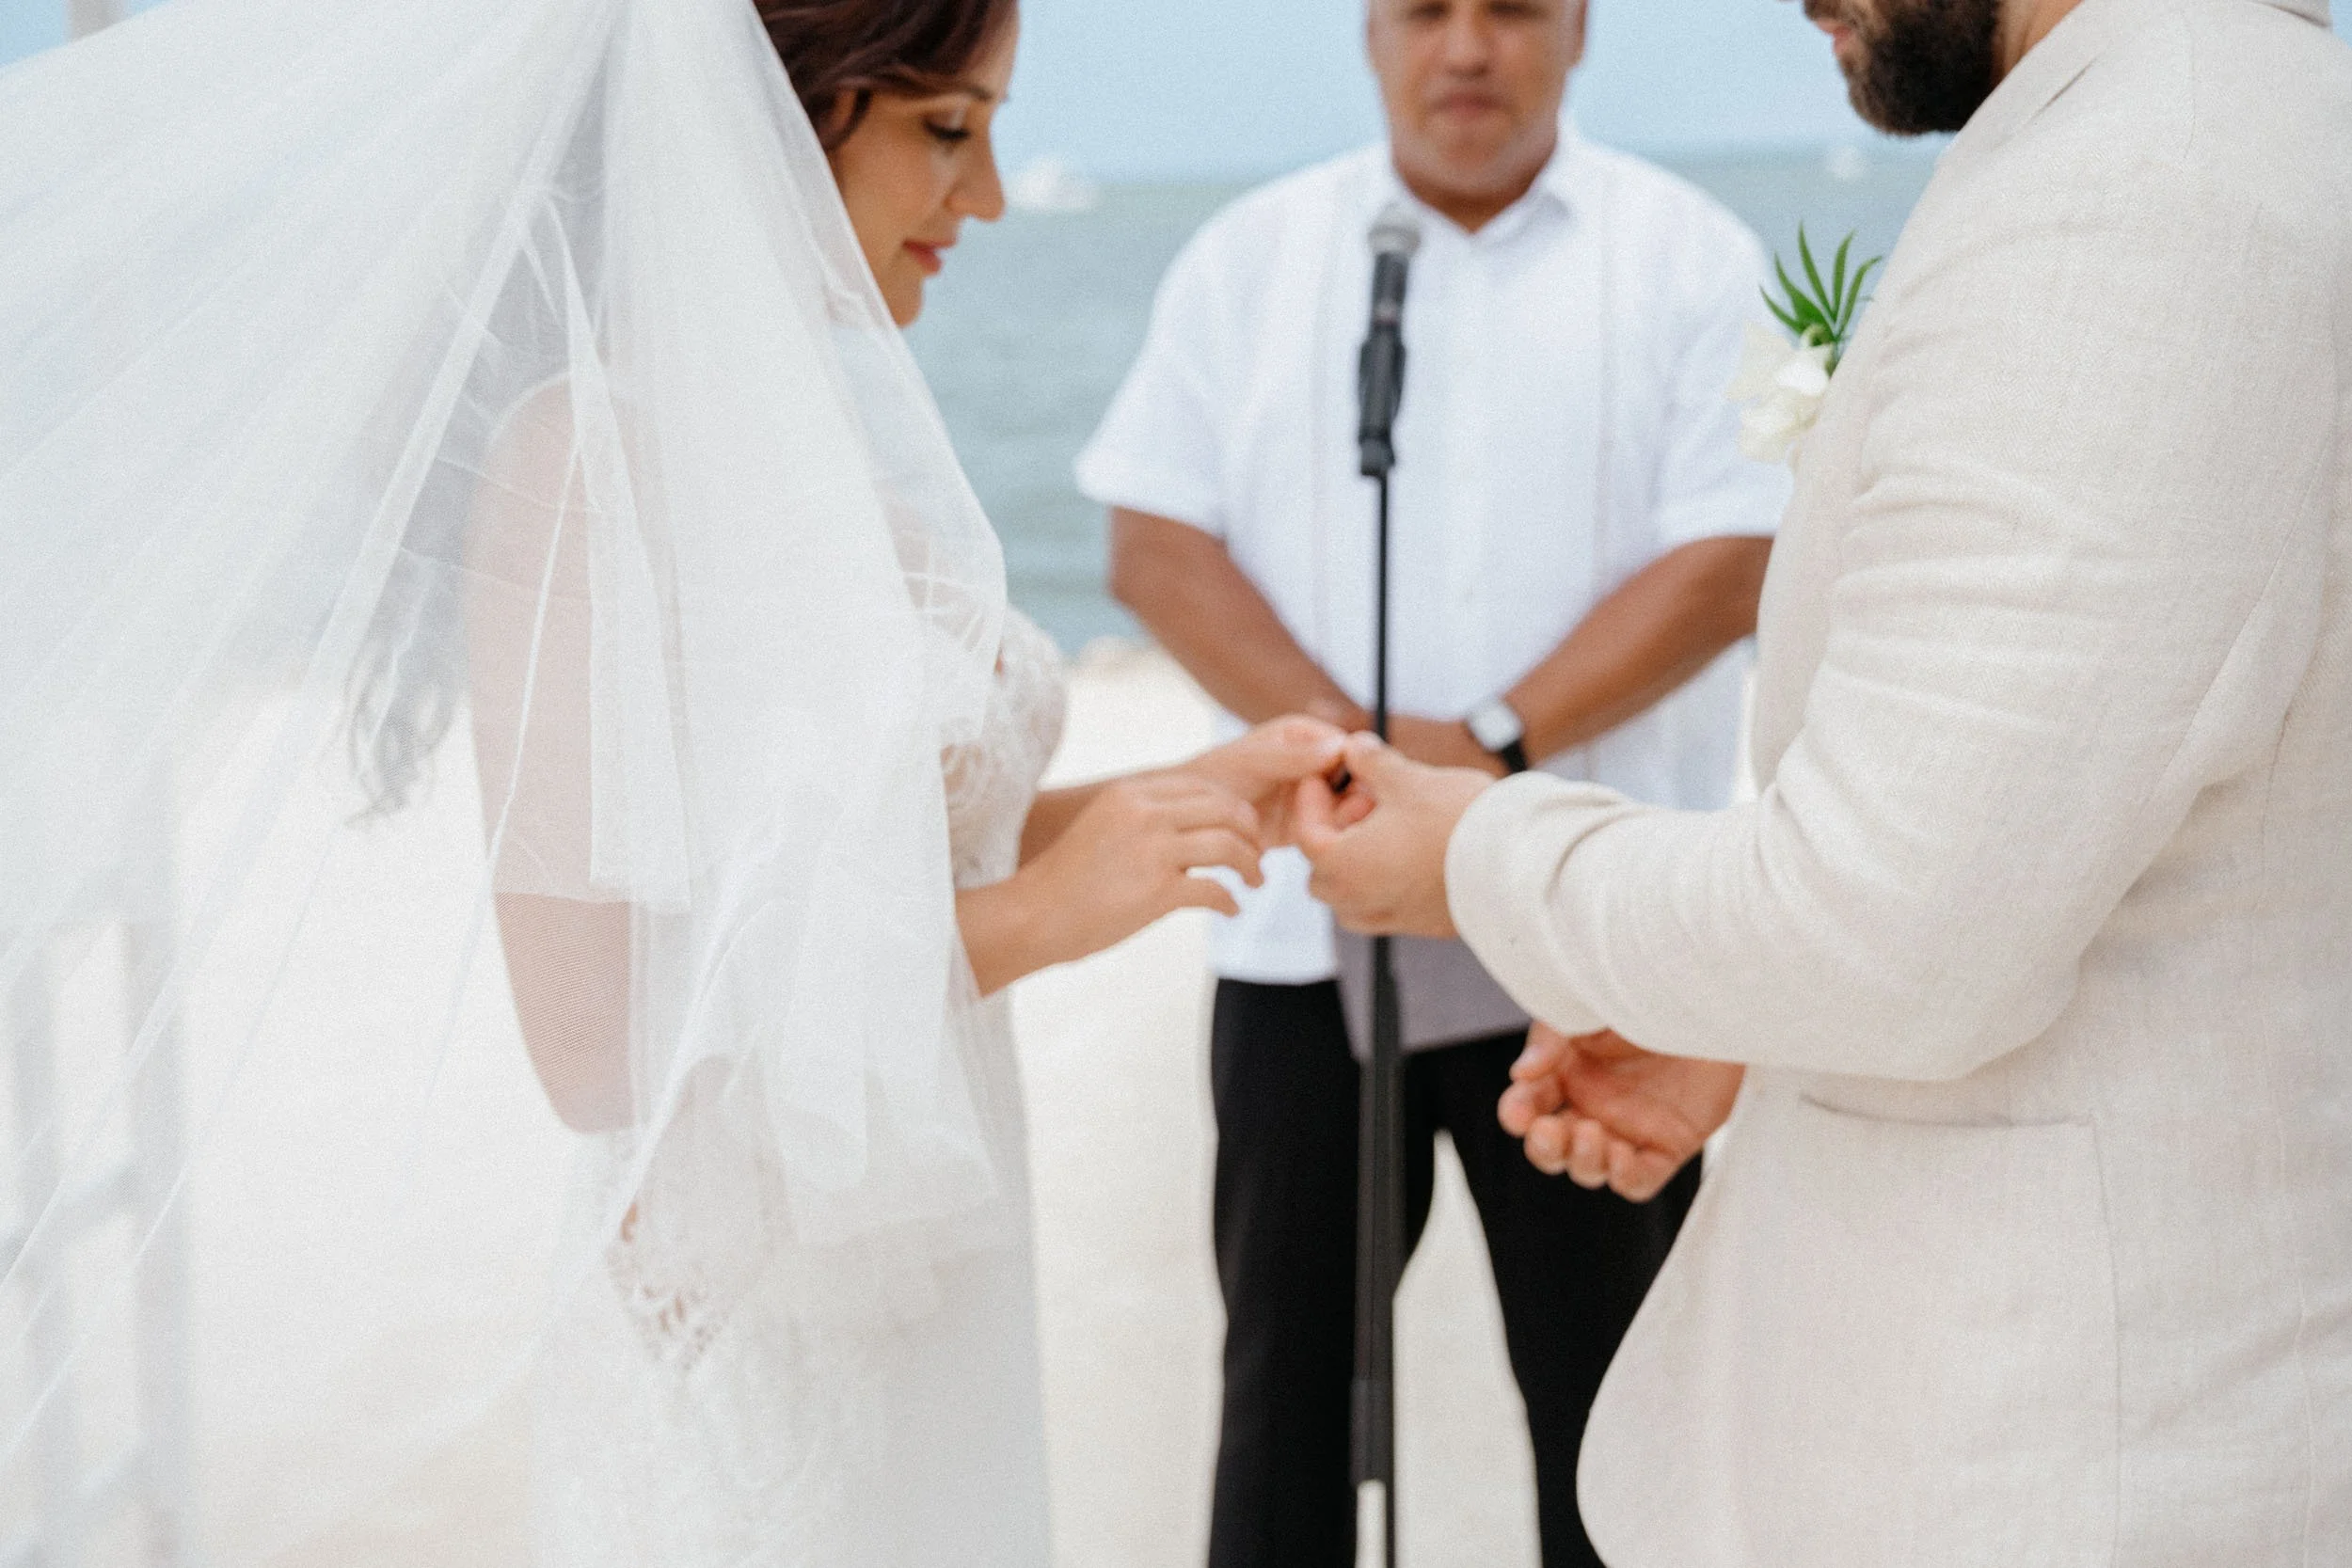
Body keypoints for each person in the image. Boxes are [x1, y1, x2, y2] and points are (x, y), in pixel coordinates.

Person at [0, 0, 1343, 1561]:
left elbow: (890, 848)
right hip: (752, 1321)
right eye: (949, 131)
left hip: (919, 1256)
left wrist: (1185, 794)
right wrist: (1045, 916)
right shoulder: (583, 460)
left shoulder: (831, 427)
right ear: (778, 113)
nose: (983, 199)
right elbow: (600, 1036)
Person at [1295, 0, 2352, 1562]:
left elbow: (1887, 934)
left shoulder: (2137, 194)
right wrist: (1757, 1028)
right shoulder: (2243, 120)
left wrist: (1479, 847)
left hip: (2049, 1462)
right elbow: (2057, 848)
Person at [1074, 2, 1788, 1562]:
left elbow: (1735, 553)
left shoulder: (1689, 256)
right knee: (1288, 1405)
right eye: (1426, 8)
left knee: (1621, 1416)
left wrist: (1481, 758)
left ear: (1581, 29)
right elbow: (1153, 538)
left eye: (1513, 6)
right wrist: (1348, 760)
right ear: (1370, 32)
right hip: (1303, 936)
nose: (1468, 45)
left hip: (1594, 938)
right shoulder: (1255, 256)